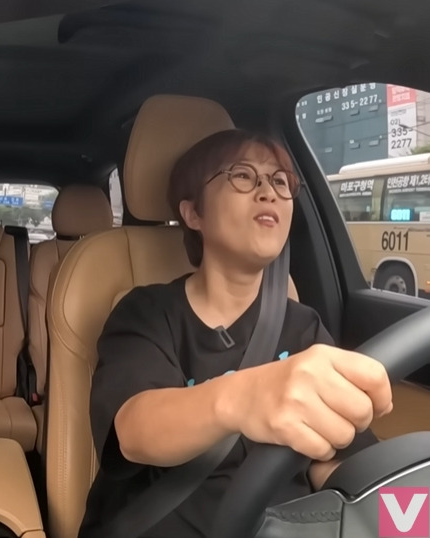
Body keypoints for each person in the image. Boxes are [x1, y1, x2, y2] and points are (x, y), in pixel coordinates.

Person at [78, 129, 394, 538]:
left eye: (280, 180)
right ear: (193, 214)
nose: (269, 192)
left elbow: (338, 463)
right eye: (243, 175)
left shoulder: (304, 327)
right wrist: (247, 396)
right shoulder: (147, 312)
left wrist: (403, 519)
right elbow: (134, 431)